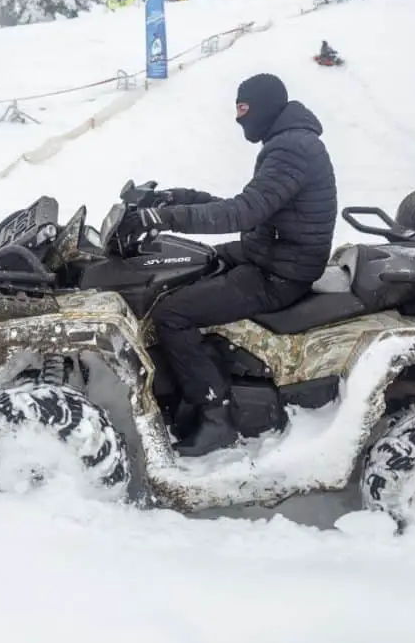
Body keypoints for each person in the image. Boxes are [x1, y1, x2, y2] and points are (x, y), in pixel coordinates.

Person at [115, 73, 338, 457]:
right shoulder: (288, 142)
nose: (239, 120)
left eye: (244, 111)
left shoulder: (292, 150)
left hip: (280, 272)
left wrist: (162, 219)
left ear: (264, 108)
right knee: (188, 268)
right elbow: (251, 204)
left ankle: (215, 414)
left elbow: (243, 212)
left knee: (173, 314)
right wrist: (175, 198)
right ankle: (186, 381)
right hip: (268, 252)